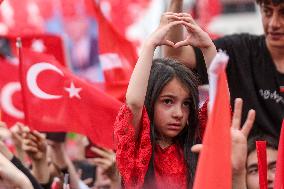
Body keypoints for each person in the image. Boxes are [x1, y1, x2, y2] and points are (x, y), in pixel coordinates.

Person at [114, 12, 255, 189]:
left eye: (186, 103)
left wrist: (208, 49)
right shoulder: (137, 147)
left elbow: (219, 107)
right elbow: (134, 103)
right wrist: (150, 45)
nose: (179, 113)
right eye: (167, 101)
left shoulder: (197, 144)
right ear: (150, 100)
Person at [164, 0, 284, 139]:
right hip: (240, 158)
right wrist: (176, 2)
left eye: (282, 13)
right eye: (267, 12)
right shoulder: (239, 50)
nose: (274, 23)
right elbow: (176, 55)